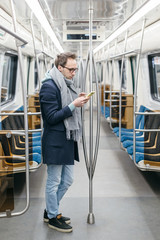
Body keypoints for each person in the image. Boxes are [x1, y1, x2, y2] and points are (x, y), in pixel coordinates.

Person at [39, 52, 90, 233]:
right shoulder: (48, 87)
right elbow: (51, 117)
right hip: (55, 141)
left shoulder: (66, 85)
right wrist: (73, 106)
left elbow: (67, 105)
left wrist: (77, 101)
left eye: (75, 70)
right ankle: (52, 216)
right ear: (60, 68)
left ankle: (50, 210)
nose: (74, 73)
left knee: (67, 180)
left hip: (66, 139)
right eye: (71, 69)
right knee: (53, 181)